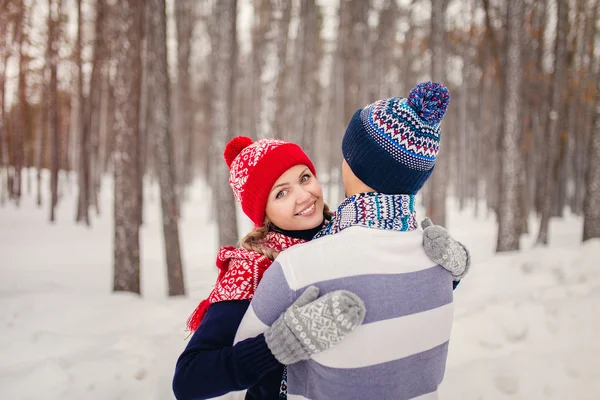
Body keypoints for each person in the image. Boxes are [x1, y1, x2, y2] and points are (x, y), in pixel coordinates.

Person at [173, 131, 469, 399]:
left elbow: (389, 292)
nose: (304, 196)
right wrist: (278, 345)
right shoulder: (252, 270)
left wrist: (449, 271)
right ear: (262, 213)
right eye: (281, 193)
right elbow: (189, 379)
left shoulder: (348, 234)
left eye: (304, 178)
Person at [234, 81, 459, 400]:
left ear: (352, 161)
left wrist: (285, 340)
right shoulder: (440, 261)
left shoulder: (300, 266)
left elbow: (240, 359)